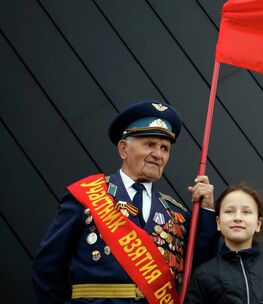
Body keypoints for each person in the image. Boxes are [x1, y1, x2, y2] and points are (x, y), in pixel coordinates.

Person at [32, 100, 218, 303]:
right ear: (123, 149)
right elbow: (47, 267)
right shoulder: (86, 196)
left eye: (165, 148)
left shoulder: (175, 213)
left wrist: (207, 209)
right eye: (149, 144)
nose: (158, 155)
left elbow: (201, 269)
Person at [185, 184, 263, 304]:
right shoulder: (203, 274)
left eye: (246, 212)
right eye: (229, 211)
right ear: (218, 222)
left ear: (258, 223)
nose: (238, 217)